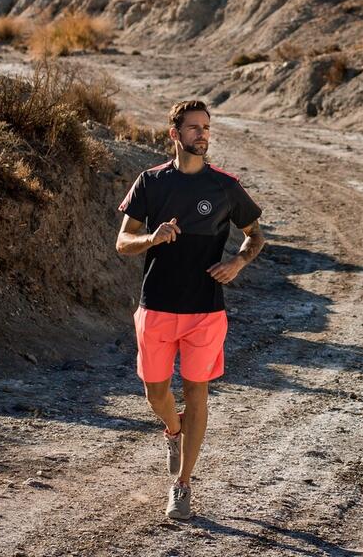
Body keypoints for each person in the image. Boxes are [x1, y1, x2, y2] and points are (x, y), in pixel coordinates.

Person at [115, 99, 264, 520]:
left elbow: (255, 236)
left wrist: (238, 261)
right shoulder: (151, 182)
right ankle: (173, 430)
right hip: (157, 306)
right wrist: (152, 239)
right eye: (194, 127)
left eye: (206, 127)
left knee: (197, 392)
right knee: (155, 392)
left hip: (206, 309)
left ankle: (182, 486)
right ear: (174, 134)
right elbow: (122, 243)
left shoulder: (225, 186)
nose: (203, 134)